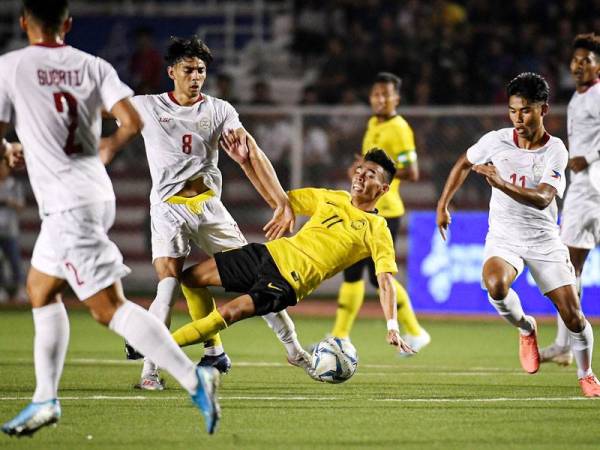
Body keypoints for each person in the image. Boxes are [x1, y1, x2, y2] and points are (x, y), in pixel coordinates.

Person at [0, 0, 220, 437]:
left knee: (108, 309)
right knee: (41, 289)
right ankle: (45, 399)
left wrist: (9, 151)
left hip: (68, 203)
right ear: (67, 24)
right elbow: (131, 118)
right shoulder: (92, 65)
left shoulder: (10, 66)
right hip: (92, 191)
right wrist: (107, 147)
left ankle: (195, 378)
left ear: (24, 22)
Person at [125, 36, 314, 390]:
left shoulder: (218, 109)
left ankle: (295, 350)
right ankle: (150, 371)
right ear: (171, 72)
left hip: (210, 209)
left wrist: (280, 201)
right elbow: (100, 109)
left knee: (261, 278)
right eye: (188, 70)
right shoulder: (146, 106)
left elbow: (251, 152)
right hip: (168, 209)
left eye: (201, 70)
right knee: (167, 288)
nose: (196, 76)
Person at [169, 141, 414, 359]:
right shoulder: (332, 198)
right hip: (267, 254)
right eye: (359, 171)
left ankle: (158, 346)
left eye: (370, 175)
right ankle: (213, 352)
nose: (360, 177)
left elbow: (385, 281)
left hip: (288, 281)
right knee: (190, 279)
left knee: (230, 312)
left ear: (383, 190)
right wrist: (245, 163)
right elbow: (279, 200)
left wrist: (392, 325)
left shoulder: (377, 227)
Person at [436, 72, 600, 397]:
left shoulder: (556, 151)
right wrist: (443, 204)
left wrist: (501, 184)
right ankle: (527, 328)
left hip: (544, 241)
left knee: (574, 317)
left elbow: (543, 199)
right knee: (495, 285)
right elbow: (464, 162)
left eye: (525, 110)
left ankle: (586, 374)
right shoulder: (496, 140)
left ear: (543, 109)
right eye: (513, 111)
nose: (518, 118)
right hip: (504, 237)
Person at [328, 72, 429, 354]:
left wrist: (380, 177)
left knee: (377, 277)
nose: (380, 99)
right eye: (376, 94)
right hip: (361, 209)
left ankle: (416, 332)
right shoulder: (372, 123)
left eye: (386, 95)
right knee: (350, 272)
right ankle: (340, 335)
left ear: (396, 98)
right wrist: (360, 171)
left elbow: (413, 171)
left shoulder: (400, 128)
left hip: (386, 212)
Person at [540, 33, 600, 366]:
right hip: (584, 187)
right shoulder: (579, 98)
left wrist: (589, 157)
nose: (579, 65)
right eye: (576, 60)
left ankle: (566, 342)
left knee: (567, 264)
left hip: (592, 185)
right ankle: (565, 341)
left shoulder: (597, 95)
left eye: (586, 60)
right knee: (570, 265)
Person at [0, 158, 26, 302]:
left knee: (15, 261)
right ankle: (2, 290)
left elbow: (21, 206)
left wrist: (9, 202)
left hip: (10, 230)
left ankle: (20, 290)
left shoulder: (14, 185)